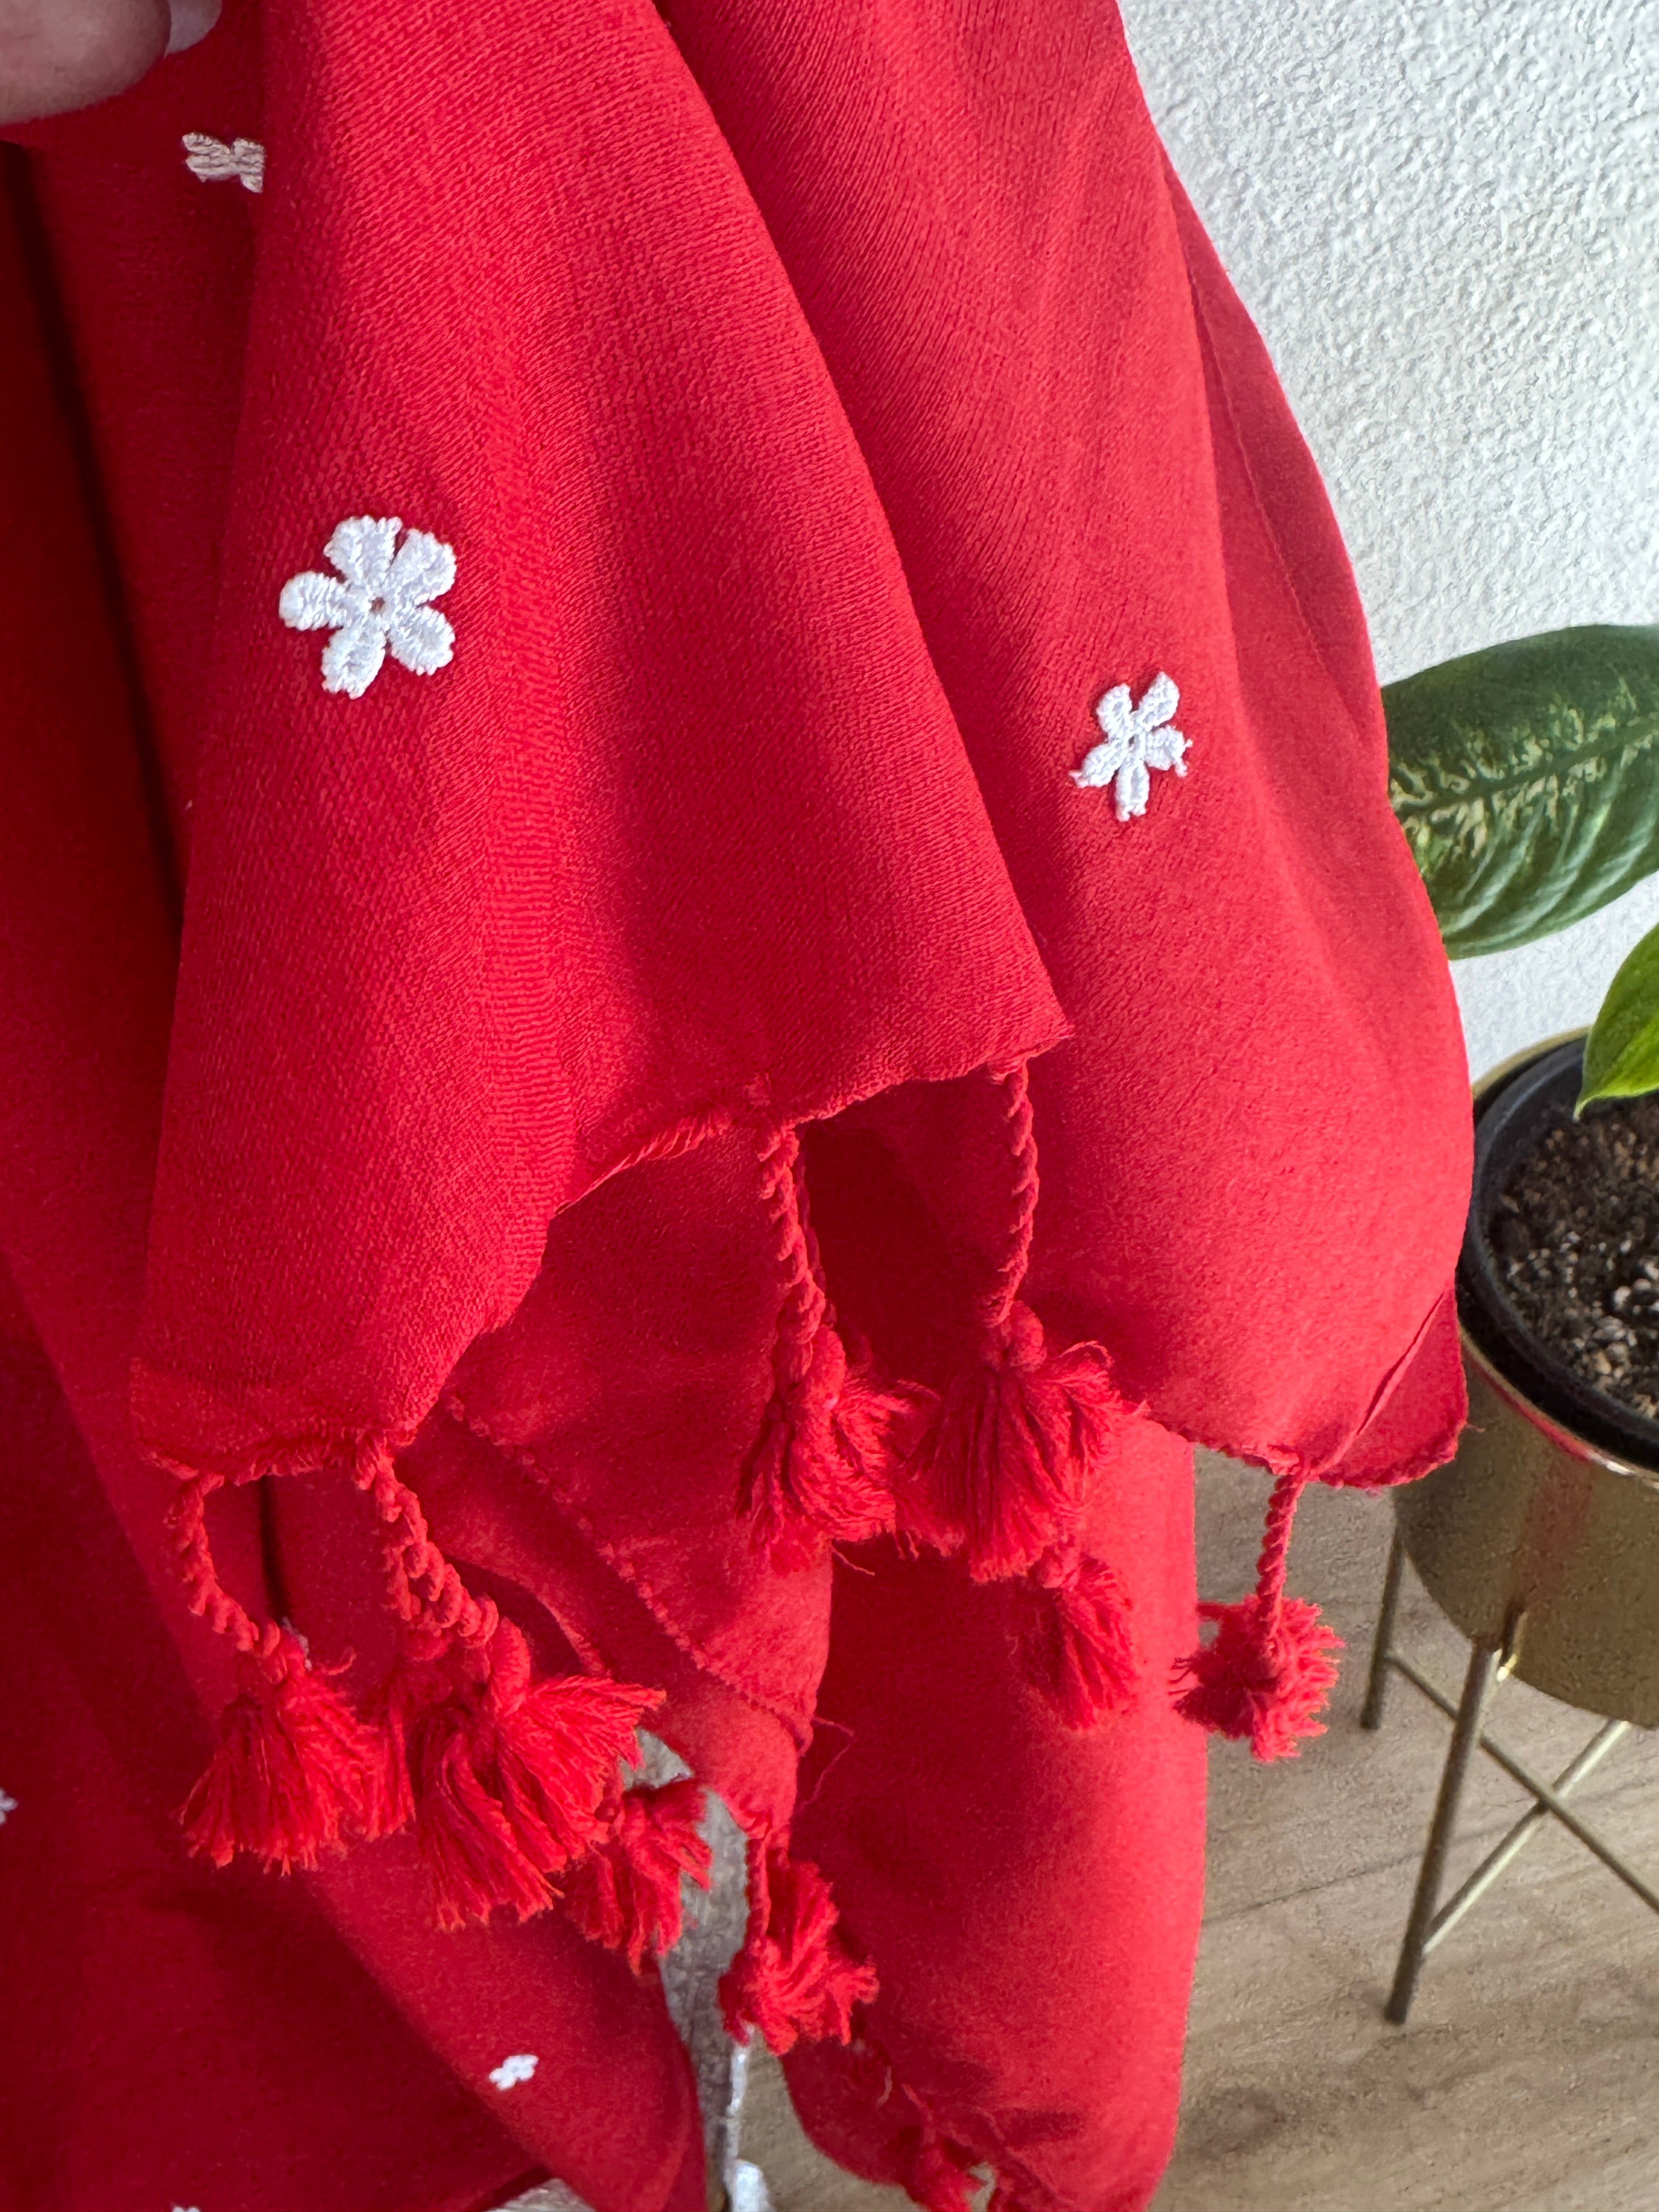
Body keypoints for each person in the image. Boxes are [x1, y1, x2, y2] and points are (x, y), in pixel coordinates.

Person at [0, 6, 1471, 2209]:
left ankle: (796, 1960)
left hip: (804, 162)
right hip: (165, 293)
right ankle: (579, 2015)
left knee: (921, 1260)